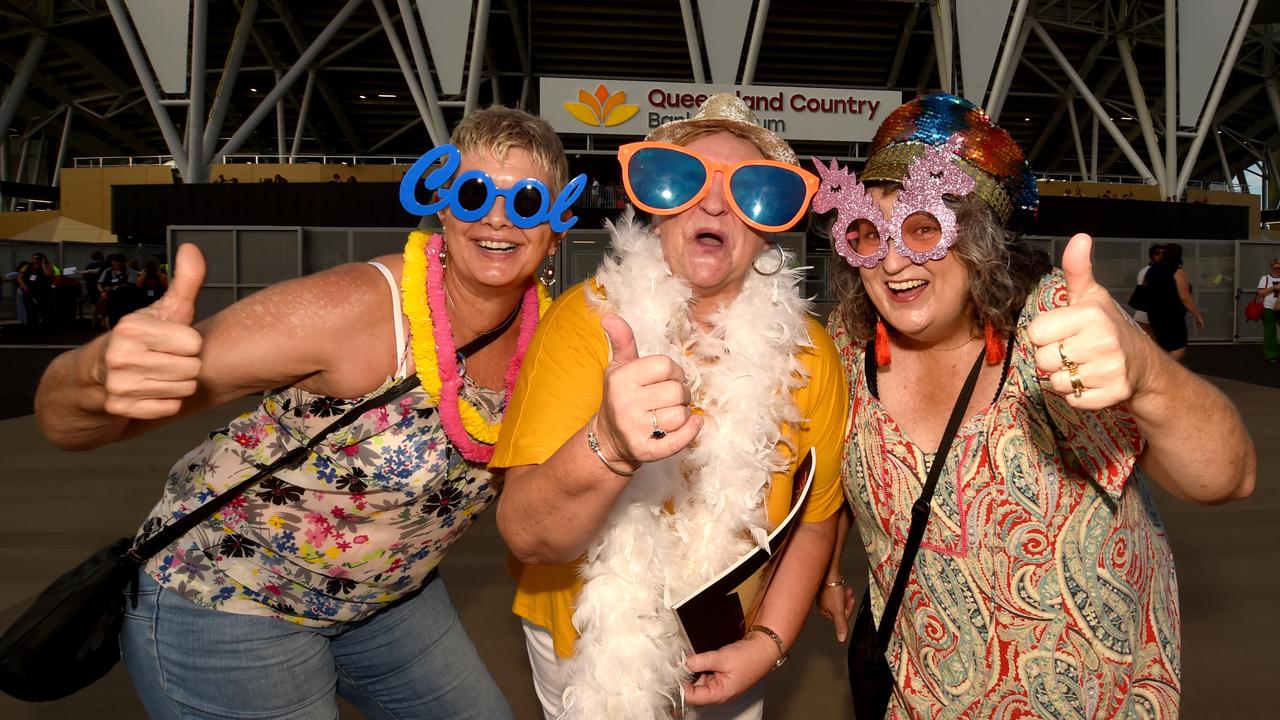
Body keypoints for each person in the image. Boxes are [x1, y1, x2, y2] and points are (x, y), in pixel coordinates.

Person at [34, 105, 584, 719]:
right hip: (233, 597)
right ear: (444, 202)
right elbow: (65, 420)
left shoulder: (554, 337)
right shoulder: (353, 309)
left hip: (389, 601)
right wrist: (93, 375)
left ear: (557, 226)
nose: (499, 217)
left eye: (529, 202)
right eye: (475, 191)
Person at [816, 93, 1254, 718]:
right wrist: (831, 572)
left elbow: (1227, 479)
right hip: (923, 694)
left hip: (1091, 697)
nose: (891, 261)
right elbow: (835, 474)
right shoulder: (848, 345)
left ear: (979, 238)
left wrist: (1148, 373)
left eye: (922, 228)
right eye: (867, 233)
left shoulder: (1051, 323)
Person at [492, 94, 847, 720]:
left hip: (727, 644)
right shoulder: (583, 325)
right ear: (655, 205)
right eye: (684, 181)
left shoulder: (812, 356)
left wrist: (768, 645)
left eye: (750, 190)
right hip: (587, 646)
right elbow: (528, 537)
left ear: (768, 221)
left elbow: (816, 519)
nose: (713, 204)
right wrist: (609, 446)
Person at [1145, 242, 1205, 360]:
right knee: (1178, 347)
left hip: (1154, 313)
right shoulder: (1177, 271)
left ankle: (1160, 369)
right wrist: (1198, 315)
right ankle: (1163, 370)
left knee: (1164, 345)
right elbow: (1184, 297)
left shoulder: (1151, 270)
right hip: (1172, 315)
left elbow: (1147, 289)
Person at [97, 253, 138, 328]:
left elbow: (130, 285)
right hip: (110, 300)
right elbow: (99, 283)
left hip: (126, 300)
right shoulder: (107, 271)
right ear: (112, 262)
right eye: (116, 261)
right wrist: (102, 292)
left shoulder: (130, 271)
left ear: (124, 262)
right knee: (110, 318)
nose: (118, 263)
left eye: (121, 261)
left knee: (125, 320)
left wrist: (113, 288)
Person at [1132, 244, 1164, 337]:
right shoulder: (1153, 271)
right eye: (1163, 254)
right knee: (1156, 343)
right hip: (1150, 313)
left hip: (1145, 313)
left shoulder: (1146, 270)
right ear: (1155, 256)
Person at [15, 252, 54, 327]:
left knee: (44, 308)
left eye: (36, 258)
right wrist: (24, 286)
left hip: (44, 291)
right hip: (30, 291)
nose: (34, 259)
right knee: (31, 308)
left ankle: (46, 324)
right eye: (33, 257)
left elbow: (47, 275)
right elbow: (19, 278)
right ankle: (32, 324)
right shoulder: (26, 266)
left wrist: (43, 264)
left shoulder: (47, 266)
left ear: (41, 259)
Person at [1255, 257, 1280, 362]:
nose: (1278, 269)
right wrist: (1273, 288)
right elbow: (1260, 293)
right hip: (1268, 307)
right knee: (1269, 332)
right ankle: (1271, 354)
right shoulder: (1265, 278)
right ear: (1272, 267)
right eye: (1276, 267)